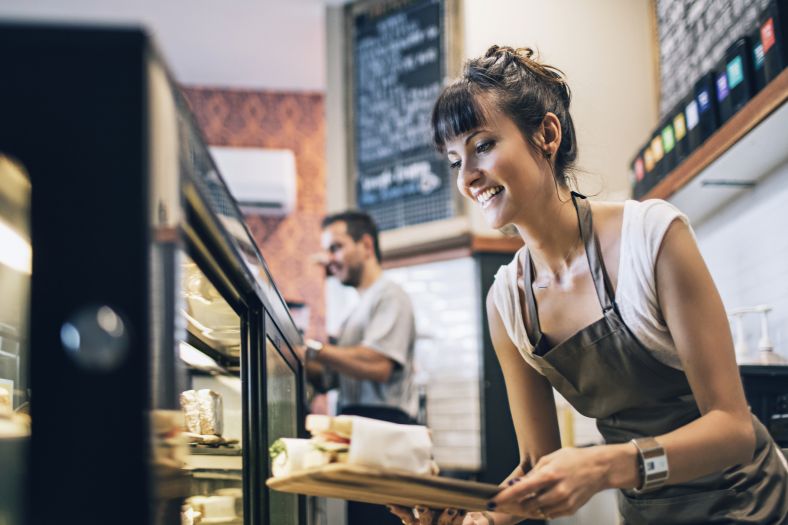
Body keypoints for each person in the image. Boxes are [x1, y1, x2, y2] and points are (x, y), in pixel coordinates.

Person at [390, 46, 788, 525]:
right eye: (455, 161)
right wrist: (477, 516)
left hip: (747, 503)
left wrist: (606, 465)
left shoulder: (651, 238)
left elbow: (733, 431)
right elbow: (536, 467)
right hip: (646, 513)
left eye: (483, 145)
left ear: (547, 134)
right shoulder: (509, 302)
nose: (468, 177)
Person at [297, 210, 418, 525]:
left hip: (384, 430)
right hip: (357, 429)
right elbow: (327, 379)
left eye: (335, 248)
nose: (329, 259)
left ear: (366, 245)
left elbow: (379, 365)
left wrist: (315, 350)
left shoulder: (390, 296)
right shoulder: (354, 312)